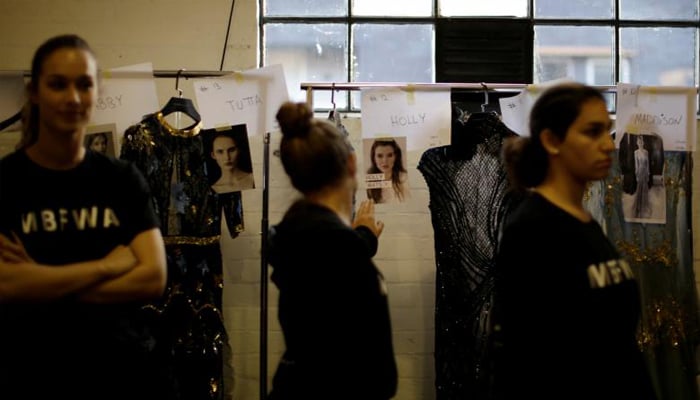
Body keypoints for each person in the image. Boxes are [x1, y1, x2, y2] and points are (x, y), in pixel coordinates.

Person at [0, 34, 175, 400]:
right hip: (30, 369)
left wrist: (40, 283)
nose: (73, 98)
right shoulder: (7, 182)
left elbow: (153, 277)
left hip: (120, 370)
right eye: (58, 84)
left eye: (84, 84)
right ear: (34, 92)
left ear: (97, 91)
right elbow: (5, 287)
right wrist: (107, 267)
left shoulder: (121, 178)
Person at [492, 83, 657, 400]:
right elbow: (525, 360)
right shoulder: (532, 230)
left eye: (607, 131)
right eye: (592, 132)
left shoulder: (583, 222)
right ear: (552, 141)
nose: (608, 145)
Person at [267, 101, 398, 400]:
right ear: (352, 165)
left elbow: (327, 264)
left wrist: (362, 238)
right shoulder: (339, 248)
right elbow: (377, 373)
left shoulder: (294, 233)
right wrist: (361, 240)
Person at [366, 138, 408, 204]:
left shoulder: (405, 179)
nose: (385, 161)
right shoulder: (368, 180)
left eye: (390, 155)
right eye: (380, 156)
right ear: (374, 158)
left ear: (396, 157)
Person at [633, 134, 651, 218]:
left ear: (643, 142)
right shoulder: (635, 152)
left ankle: (645, 207)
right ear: (637, 142)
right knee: (639, 189)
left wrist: (648, 173)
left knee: (645, 189)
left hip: (645, 172)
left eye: (641, 141)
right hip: (639, 171)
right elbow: (636, 165)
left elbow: (648, 164)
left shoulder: (646, 152)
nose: (640, 143)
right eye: (638, 141)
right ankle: (638, 208)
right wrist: (636, 175)